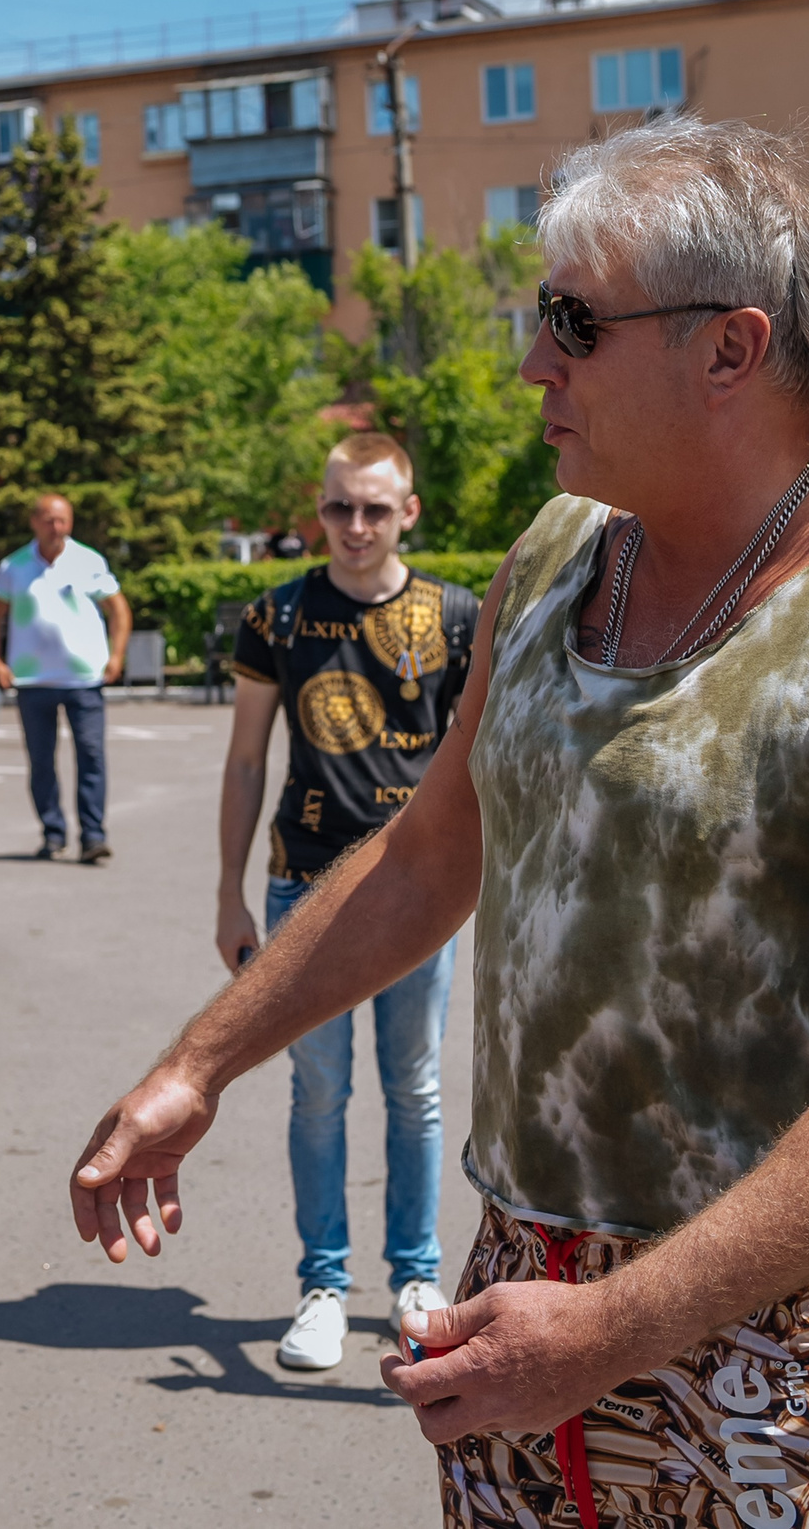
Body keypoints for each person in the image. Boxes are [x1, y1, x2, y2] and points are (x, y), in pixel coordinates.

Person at [68, 118, 809, 1529]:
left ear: (730, 346)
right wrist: (199, 1065)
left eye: (573, 320)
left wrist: (613, 1329)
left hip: (774, 1340)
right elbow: (429, 850)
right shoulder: (561, 548)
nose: (533, 361)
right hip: (526, 1300)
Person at [219, 432, 479, 1370]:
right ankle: (322, 1286)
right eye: (339, 506)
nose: (356, 525)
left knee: (415, 1090)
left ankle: (416, 1277)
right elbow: (247, 761)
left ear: (410, 510)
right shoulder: (278, 618)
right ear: (316, 511)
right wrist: (230, 893)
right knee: (318, 1091)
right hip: (303, 886)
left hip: (415, 891)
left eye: (375, 507)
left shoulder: (456, 617)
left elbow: (479, 759)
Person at [0, 493, 131, 864]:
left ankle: (93, 837)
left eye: (63, 520)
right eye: (49, 520)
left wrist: (117, 655)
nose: (57, 528)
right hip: (33, 681)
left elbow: (118, 609)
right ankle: (52, 833)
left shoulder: (88, 561)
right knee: (41, 761)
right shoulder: (14, 566)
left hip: (84, 679)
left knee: (92, 757)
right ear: (34, 522)